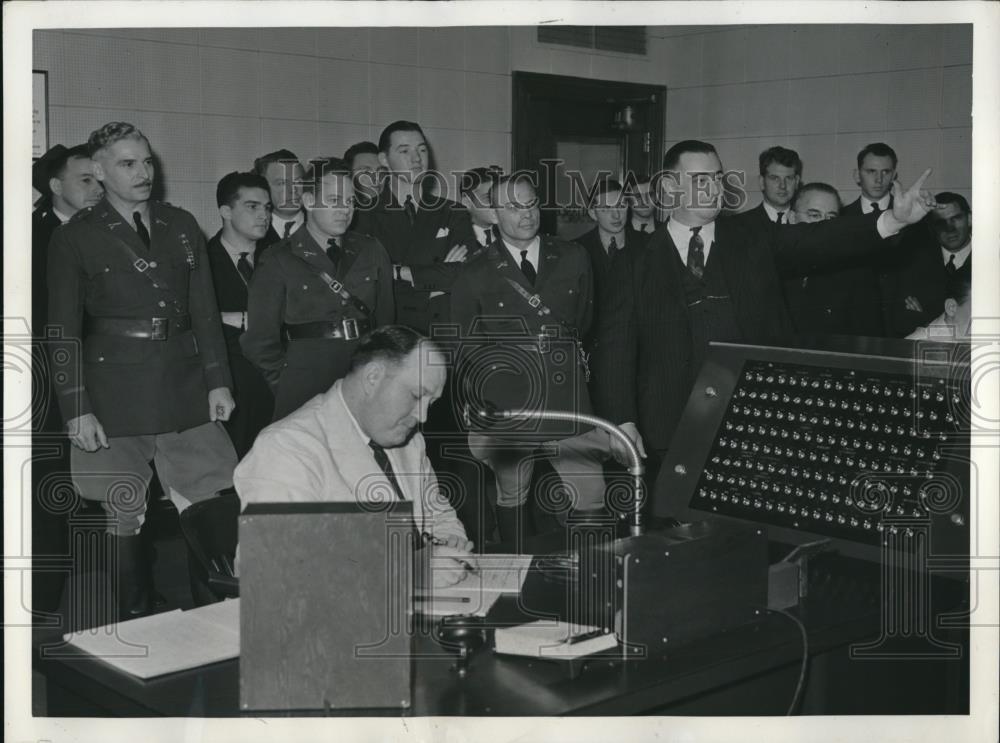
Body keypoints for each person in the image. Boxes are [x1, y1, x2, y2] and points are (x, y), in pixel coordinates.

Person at [593, 139, 939, 492]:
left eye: (717, 178)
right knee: (675, 531)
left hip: (751, 422)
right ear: (669, 186)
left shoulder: (753, 238)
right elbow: (615, 348)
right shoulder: (634, 261)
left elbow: (821, 238)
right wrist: (621, 421)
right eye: (700, 180)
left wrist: (893, 219)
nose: (713, 189)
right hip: (668, 428)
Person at [47, 122, 237, 619]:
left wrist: (218, 379)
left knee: (209, 497)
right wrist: (77, 408)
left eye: (147, 161)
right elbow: (62, 332)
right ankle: (136, 618)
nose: (143, 172)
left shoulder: (180, 225)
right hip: (114, 391)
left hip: (183, 382)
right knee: (122, 509)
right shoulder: (76, 238)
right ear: (99, 171)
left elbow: (204, 311)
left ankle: (213, 614)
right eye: (128, 163)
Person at [234, 326, 475, 588]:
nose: (423, 416)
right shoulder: (287, 447)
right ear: (373, 378)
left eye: (431, 402)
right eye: (416, 395)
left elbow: (436, 513)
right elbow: (277, 567)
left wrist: (450, 544)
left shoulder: (407, 441)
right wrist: (412, 571)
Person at [450, 174, 614, 546]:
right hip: (509, 400)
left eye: (530, 203)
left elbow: (585, 322)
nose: (525, 214)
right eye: (512, 207)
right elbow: (465, 346)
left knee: (591, 494)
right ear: (493, 213)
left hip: (566, 396)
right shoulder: (475, 271)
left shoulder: (573, 257)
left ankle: (594, 578)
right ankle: (516, 575)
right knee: (512, 495)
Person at [241, 157, 394, 420]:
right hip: (305, 387)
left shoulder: (372, 250)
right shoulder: (279, 258)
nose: (344, 210)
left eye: (350, 202)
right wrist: (288, 383)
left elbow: (386, 323)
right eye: (334, 200)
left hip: (363, 382)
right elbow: (259, 341)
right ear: (309, 201)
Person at [354, 120, 476, 334]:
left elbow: (468, 273)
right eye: (404, 151)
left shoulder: (452, 212)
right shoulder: (362, 215)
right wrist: (437, 282)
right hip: (390, 334)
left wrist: (401, 272)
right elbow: (366, 282)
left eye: (422, 149)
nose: (416, 158)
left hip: (443, 333)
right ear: (384, 159)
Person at [206, 172, 276, 457]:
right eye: (252, 206)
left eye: (267, 207)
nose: (264, 215)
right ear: (225, 211)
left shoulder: (283, 258)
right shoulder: (200, 262)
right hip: (234, 380)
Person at [782, 183, 883, 337]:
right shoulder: (771, 267)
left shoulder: (856, 274)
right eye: (814, 215)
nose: (824, 225)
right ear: (791, 218)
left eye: (831, 218)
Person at [32, 144, 104, 332]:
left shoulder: (108, 232)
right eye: (86, 180)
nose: (99, 190)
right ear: (57, 186)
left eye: (101, 181)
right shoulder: (31, 238)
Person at [574, 177, 648, 360]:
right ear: (592, 213)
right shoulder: (577, 251)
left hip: (640, 352)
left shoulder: (649, 246)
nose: (616, 216)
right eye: (606, 209)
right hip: (595, 355)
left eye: (621, 207)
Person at [885, 192, 972, 337]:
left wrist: (924, 319)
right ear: (932, 227)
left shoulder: (991, 260)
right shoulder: (913, 263)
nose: (949, 228)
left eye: (956, 218)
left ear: (969, 218)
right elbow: (901, 322)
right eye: (940, 222)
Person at [253, 149, 305, 261]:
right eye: (282, 183)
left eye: (298, 182)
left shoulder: (323, 226)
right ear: (263, 188)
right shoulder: (252, 235)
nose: (293, 190)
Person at [732, 146, 803, 229]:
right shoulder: (737, 225)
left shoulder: (806, 224)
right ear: (762, 182)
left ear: (797, 181)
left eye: (789, 178)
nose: (783, 186)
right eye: (774, 178)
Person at [459, 165, 503, 251]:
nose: (497, 204)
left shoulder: (508, 234)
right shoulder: (457, 240)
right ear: (467, 202)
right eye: (488, 198)